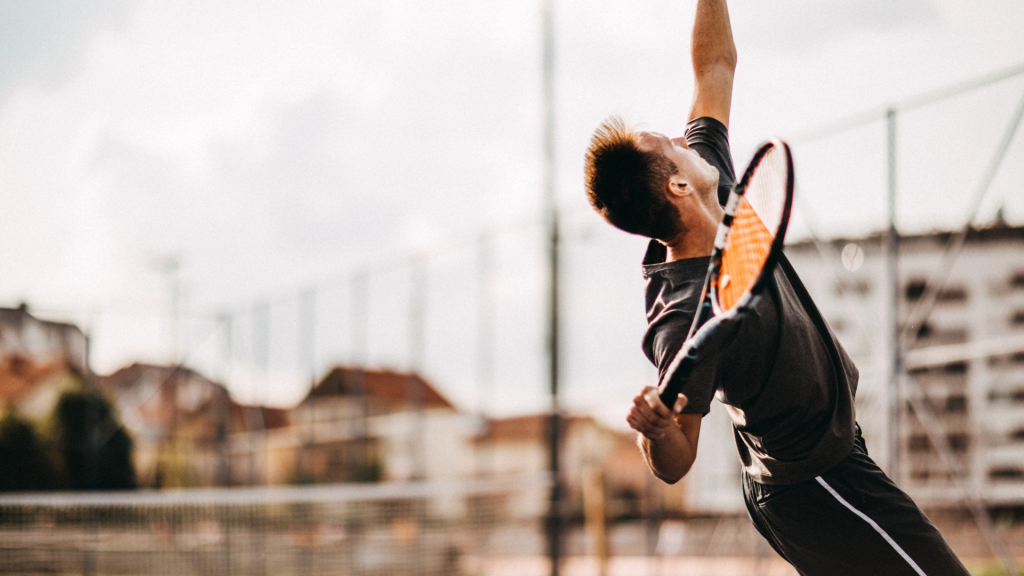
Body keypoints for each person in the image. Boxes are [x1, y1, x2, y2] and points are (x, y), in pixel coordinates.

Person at [582, 1, 969, 574]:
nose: (685, 133)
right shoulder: (683, 311)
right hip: (814, 486)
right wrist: (656, 433)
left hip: (833, 460)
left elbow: (714, 65)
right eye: (671, 142)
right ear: (677, 183)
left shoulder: (716, 183)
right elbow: (676, 459)